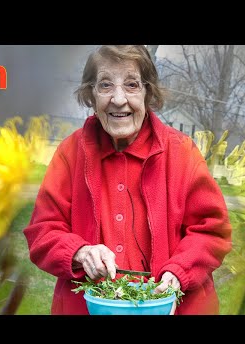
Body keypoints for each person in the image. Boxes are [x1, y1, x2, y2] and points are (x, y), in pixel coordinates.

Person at [23, 45, 232, 315]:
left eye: (132, 85)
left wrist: (180, 271)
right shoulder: (70, 153)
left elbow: (212, 230)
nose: (118, 99)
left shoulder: (182, 152)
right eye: (106, 85)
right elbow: (42, 232)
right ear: (91, 94)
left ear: (148, 93)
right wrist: (80, 252)